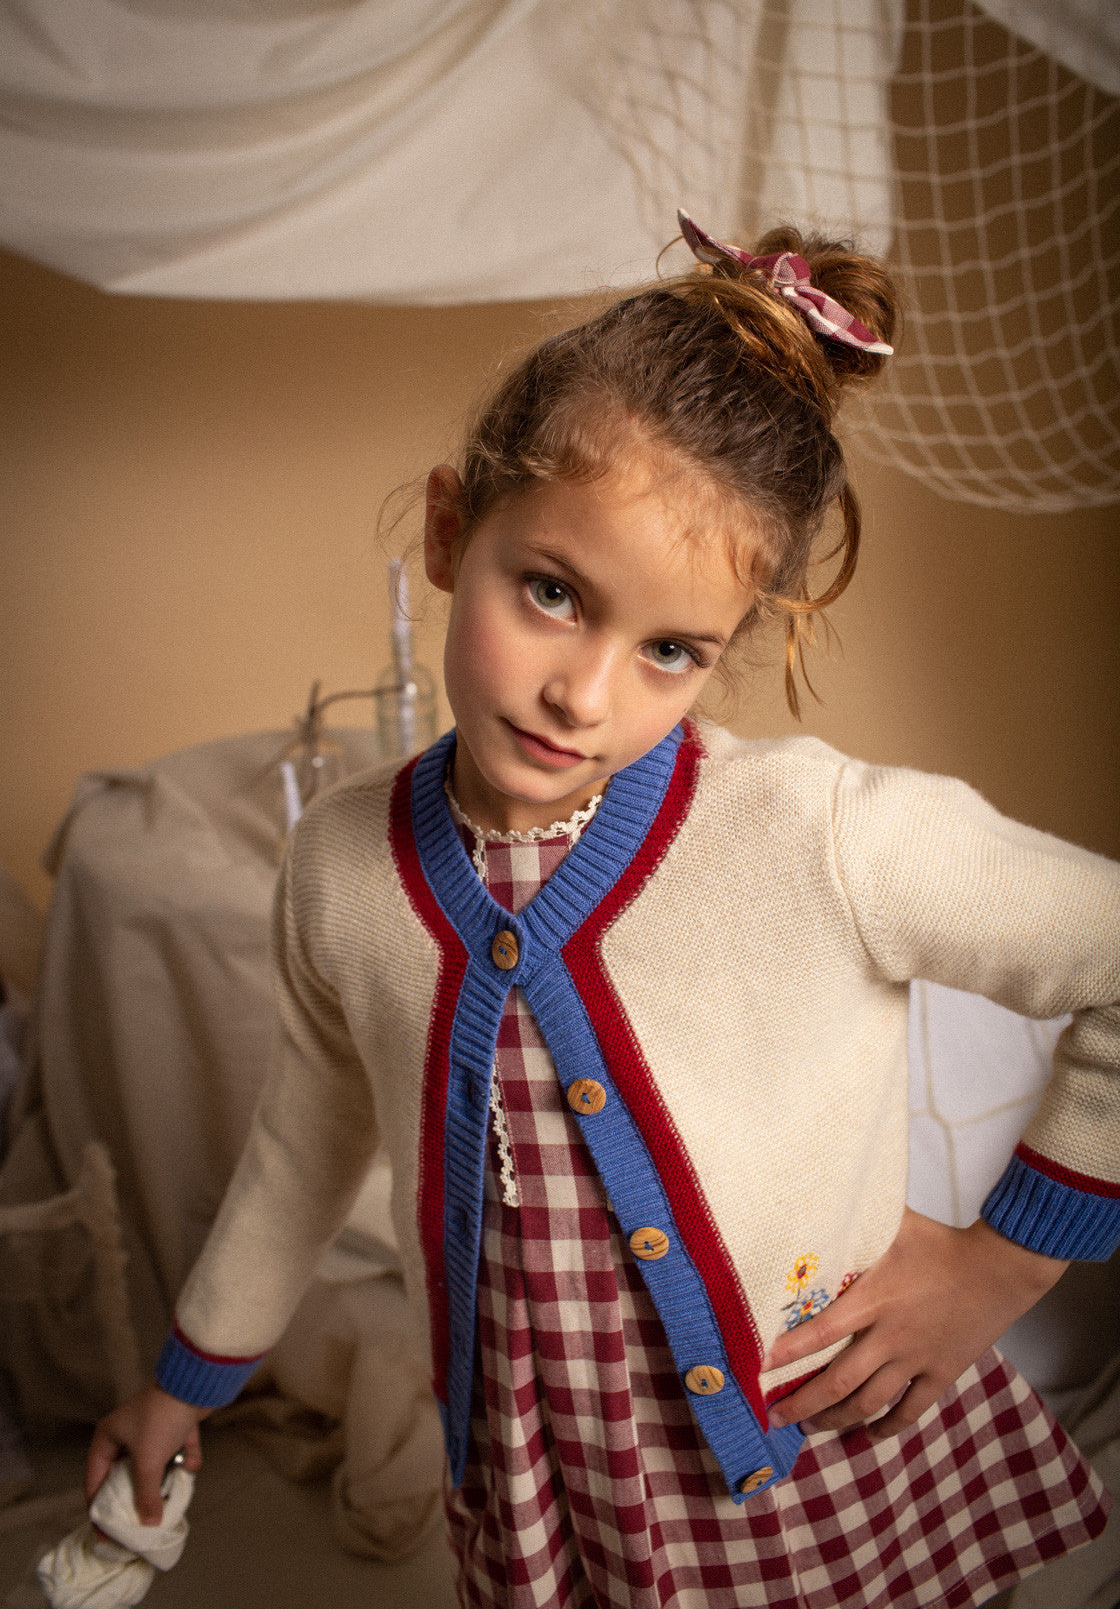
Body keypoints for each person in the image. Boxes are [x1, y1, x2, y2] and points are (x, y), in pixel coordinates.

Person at [86, 212, 1119, 1608]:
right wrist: (184, 1385)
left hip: (807, 1451)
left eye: (671, 649)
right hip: (536, 1473)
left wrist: (1002, 1265)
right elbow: (306, 1140)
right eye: (554, 593)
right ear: (455, 531)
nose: (587, 694)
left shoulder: (818, 833)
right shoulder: (341, 867)